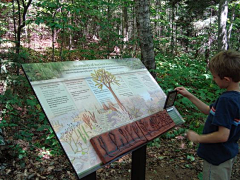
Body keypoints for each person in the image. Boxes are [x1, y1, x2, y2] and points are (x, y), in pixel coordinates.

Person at [175, 50, 240, 180]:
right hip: (227, 153)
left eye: (214, 77)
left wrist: (198, 137)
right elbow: (208, 110)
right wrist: (189, 95)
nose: (213, 79)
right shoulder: (235, 96)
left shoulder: (226, 100)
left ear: (226, 79)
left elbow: (222, 135)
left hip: (217, 157)